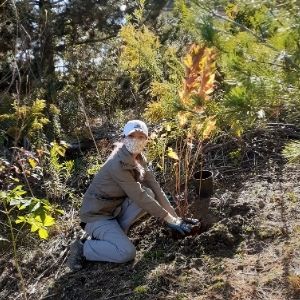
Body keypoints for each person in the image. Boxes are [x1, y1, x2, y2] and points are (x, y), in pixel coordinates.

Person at [67, 120, 195, 271]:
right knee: (126, 252)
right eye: (132, 136)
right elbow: (138, 196)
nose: (136, 140)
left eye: (141, 136)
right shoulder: (116, 163)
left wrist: (175, 218)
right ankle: (84, 247)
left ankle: (112, 236)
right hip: (97, 216)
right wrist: (167, 218)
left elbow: (156, 188)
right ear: (123, 138)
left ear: (146, 140)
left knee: (150, 192)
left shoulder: (139, 159)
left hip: (115, 210)